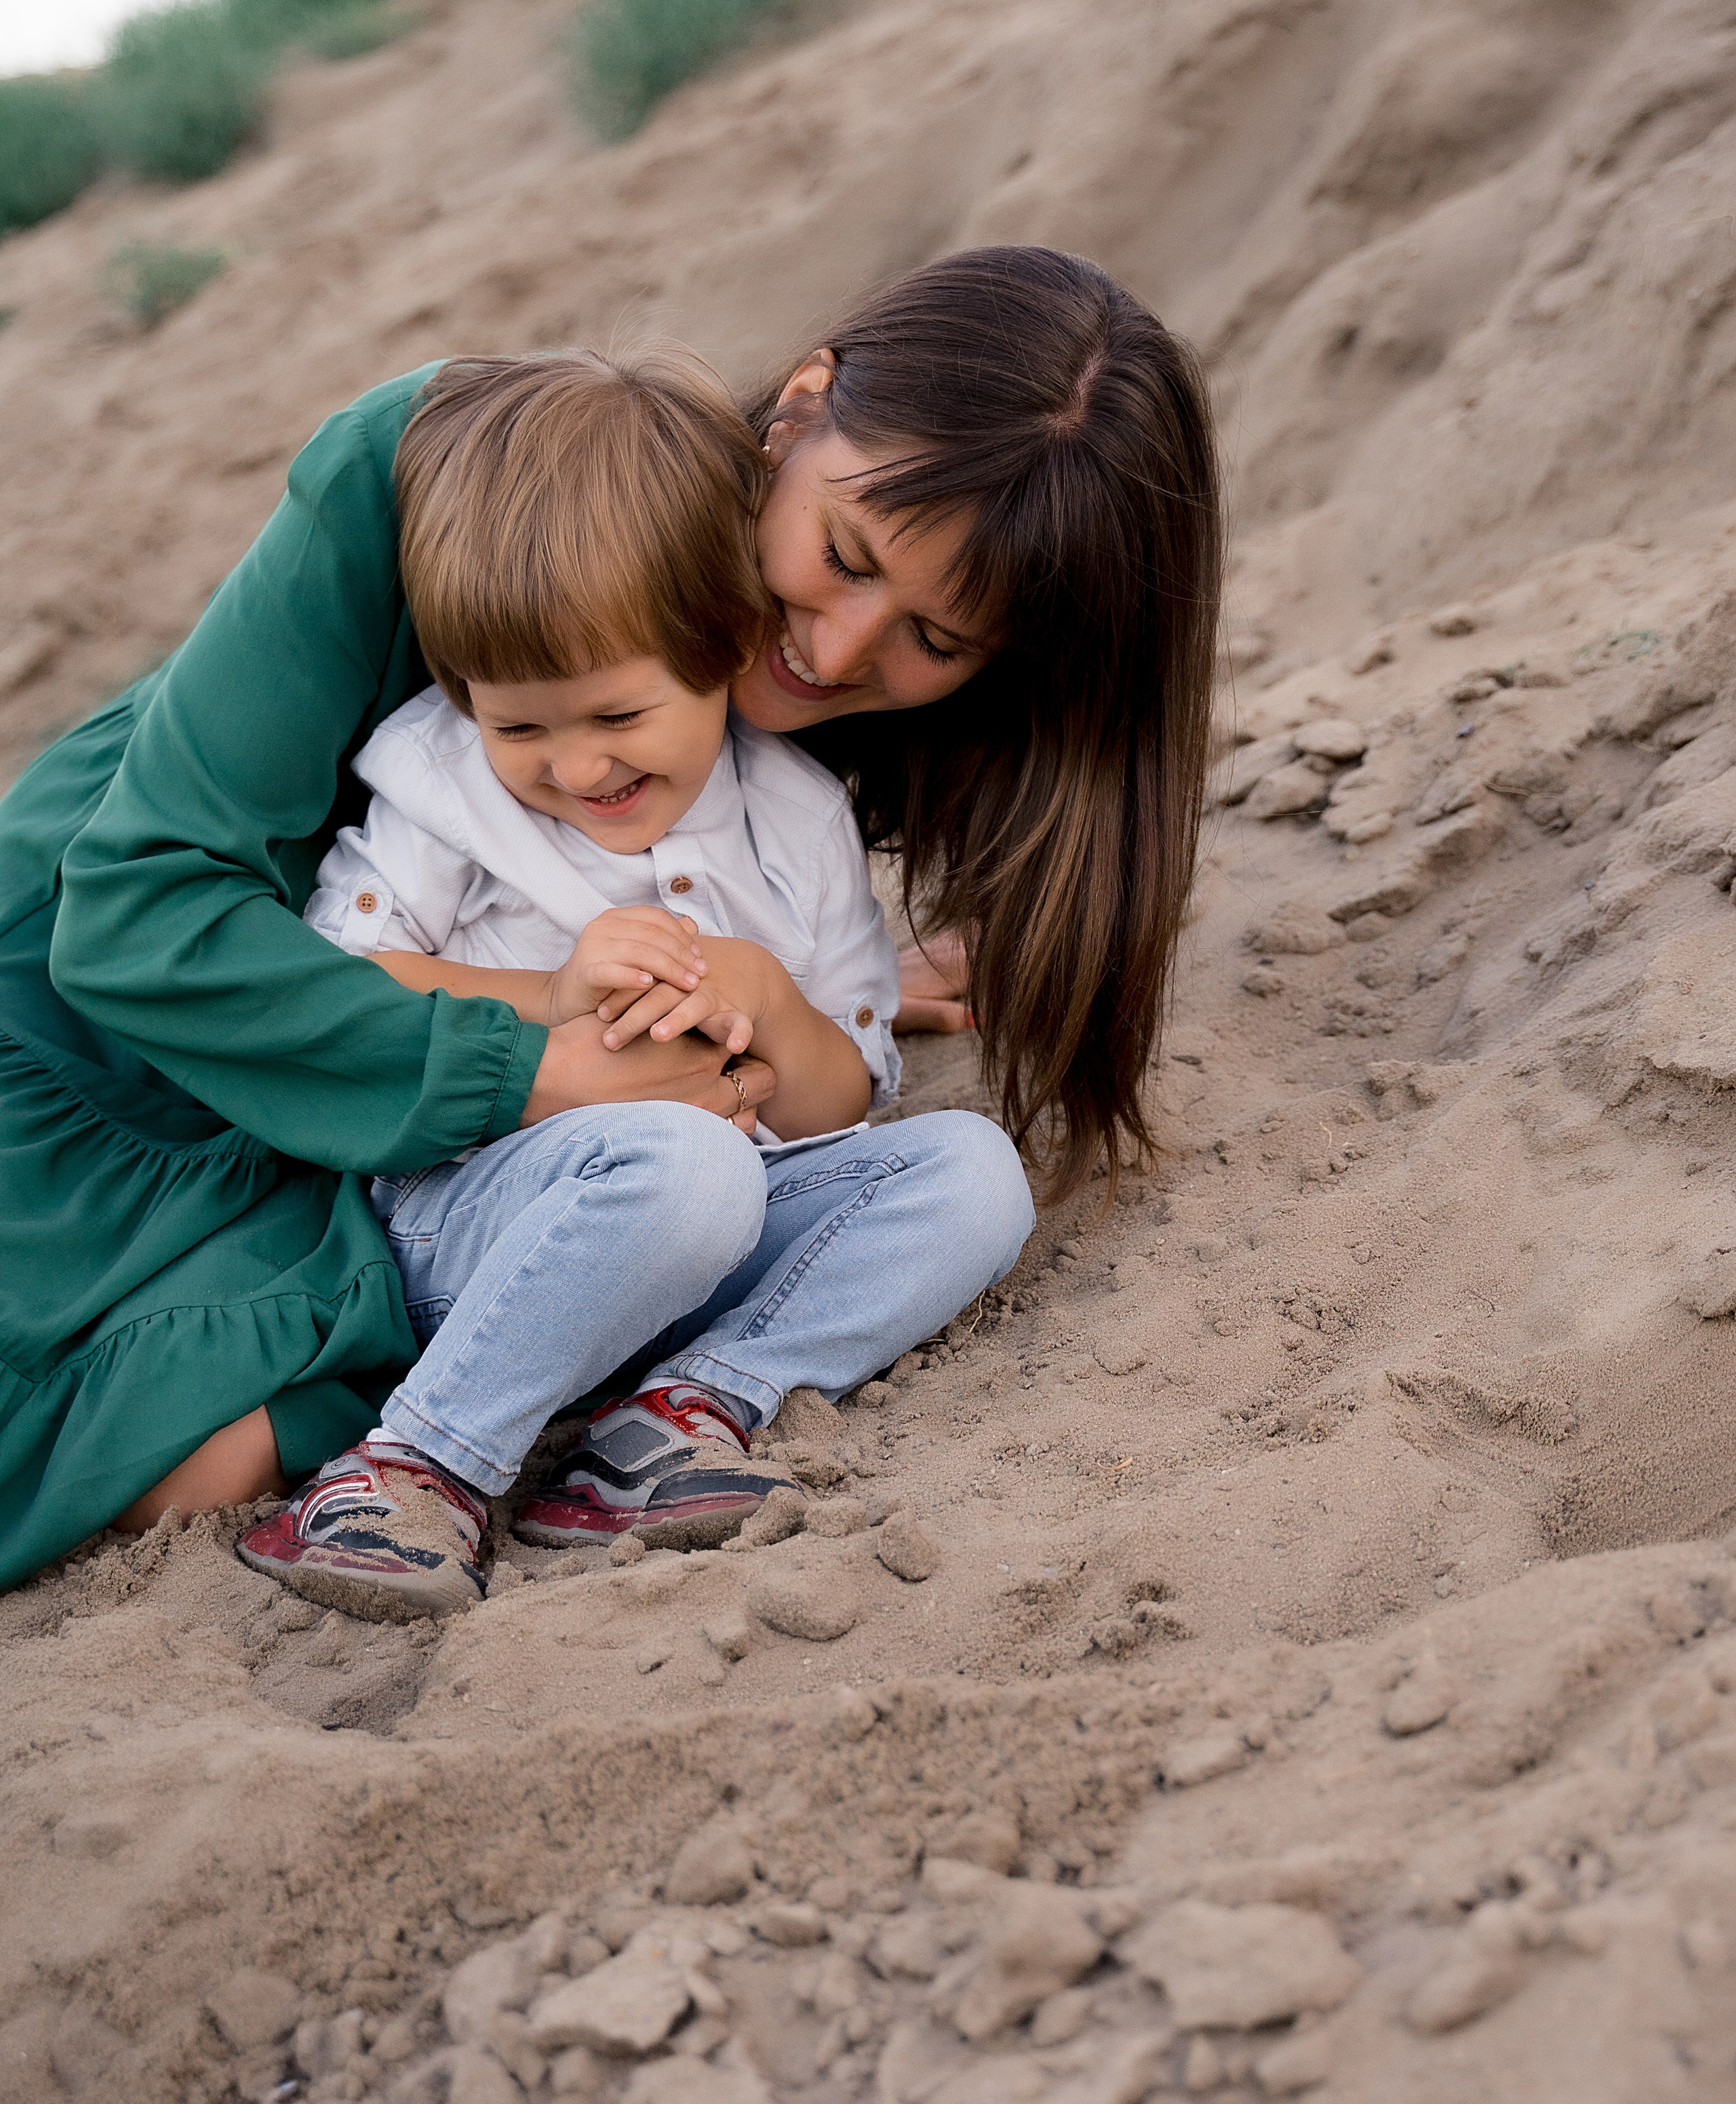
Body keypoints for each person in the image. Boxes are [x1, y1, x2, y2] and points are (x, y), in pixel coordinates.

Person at [0, 244, 1221, 1590]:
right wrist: (535, 1057)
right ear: (798, 406)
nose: (834, 649)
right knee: (203, 1453)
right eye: (841, 553)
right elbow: (132, 919)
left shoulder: (800, 749)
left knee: (727, 1208)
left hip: (402, 1095)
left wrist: (801, 1003)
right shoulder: (461, 472)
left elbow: (773, 987)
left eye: (934, 640)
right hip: (114, 1021)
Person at [235, 348, 1030, 1616]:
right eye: (520, 728)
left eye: (618, 716)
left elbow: (844, 1102)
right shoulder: (443, 786)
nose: (572, 766)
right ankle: (415, 1465)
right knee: (687, 1167)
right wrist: (548, 993)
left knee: (973, 1175)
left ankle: (683, 1412)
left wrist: (769, 1000)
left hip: (728, 1209)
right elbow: (345, 981)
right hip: (482, 1212)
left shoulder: (796, 821)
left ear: (716, 651)